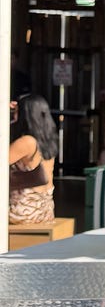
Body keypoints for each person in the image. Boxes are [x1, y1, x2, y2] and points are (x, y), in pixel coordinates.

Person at [9, 93, 58, 225]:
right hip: (43, 209)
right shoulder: (47, 140)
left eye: (16, 112)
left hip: (24, 211)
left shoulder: (27, 142)